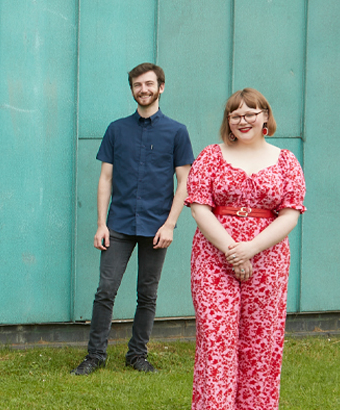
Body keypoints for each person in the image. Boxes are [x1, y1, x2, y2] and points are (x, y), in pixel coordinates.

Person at [186, 88, 304, 409]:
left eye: (250, 112)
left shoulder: (286, 161)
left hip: (268, 260)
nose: (242, 120)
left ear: (265, 115)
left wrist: (249, 249)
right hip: (214, 258)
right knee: (217, 342)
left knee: (261, 343)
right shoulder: (211, 156)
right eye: (235, 114)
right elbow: (199, 208)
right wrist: (232, 250)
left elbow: (290, 214)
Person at [72, 63, 193, 376]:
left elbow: (185, 183)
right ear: (132, 90)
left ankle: (137, 355)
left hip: (156, 227)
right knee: (105, 291)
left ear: (161, 87)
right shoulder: (116, 129)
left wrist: (170, 224)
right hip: (120, 224)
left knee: (147, 295)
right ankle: (95, 356)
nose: (144, 90)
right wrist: (101, 224)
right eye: (138, 85)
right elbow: (105, 179)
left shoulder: (177, 132)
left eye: (149, 84)